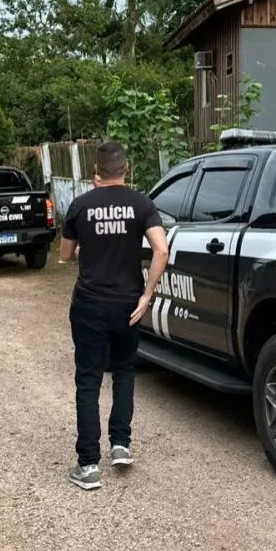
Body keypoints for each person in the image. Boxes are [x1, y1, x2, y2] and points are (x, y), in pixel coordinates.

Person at [59, 141, 169, 490]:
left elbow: (65, 255)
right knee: (123, 372)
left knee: (88, 380)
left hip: (89, 305)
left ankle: (88, 465)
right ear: (126, 169)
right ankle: (121, 444)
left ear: (96, 171)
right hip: (128, 305)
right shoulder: (142, 204)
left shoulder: (80, 205)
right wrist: (146, 295)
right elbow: (161, 250)